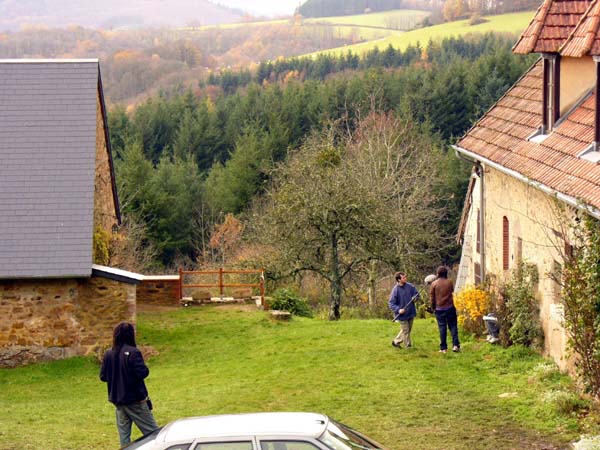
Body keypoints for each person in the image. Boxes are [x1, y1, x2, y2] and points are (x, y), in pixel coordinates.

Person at [100, 322, 159, 447]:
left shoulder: (108, 354)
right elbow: (142, 373)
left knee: (124, 438)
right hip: (135, 400)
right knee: (154, 434)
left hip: (118, 401)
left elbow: (103, 377)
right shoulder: (133, 352)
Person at [430, 266, 460, 353]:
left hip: (439, 309)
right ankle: (456, 345)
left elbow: (432, 298)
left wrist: (433, 308)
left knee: (442, 328)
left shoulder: (434, 284)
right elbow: (452, 291)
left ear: (438, 274)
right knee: (453, 326)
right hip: (450, 307)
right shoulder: (449, 282)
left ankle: (443, 348)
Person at [388, 271, 419, 349]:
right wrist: (398, 310)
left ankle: (396, 341)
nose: (406, 278)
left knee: (408, 330)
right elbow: (391, 303)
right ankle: (408, 346)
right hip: (401, 315)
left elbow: (417, 294)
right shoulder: (395, 290)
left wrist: (415, 298)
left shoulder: (410, 286)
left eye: (405, 277)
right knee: (405, 330)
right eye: (403, 277)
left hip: (410, 312)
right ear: (399, 280)